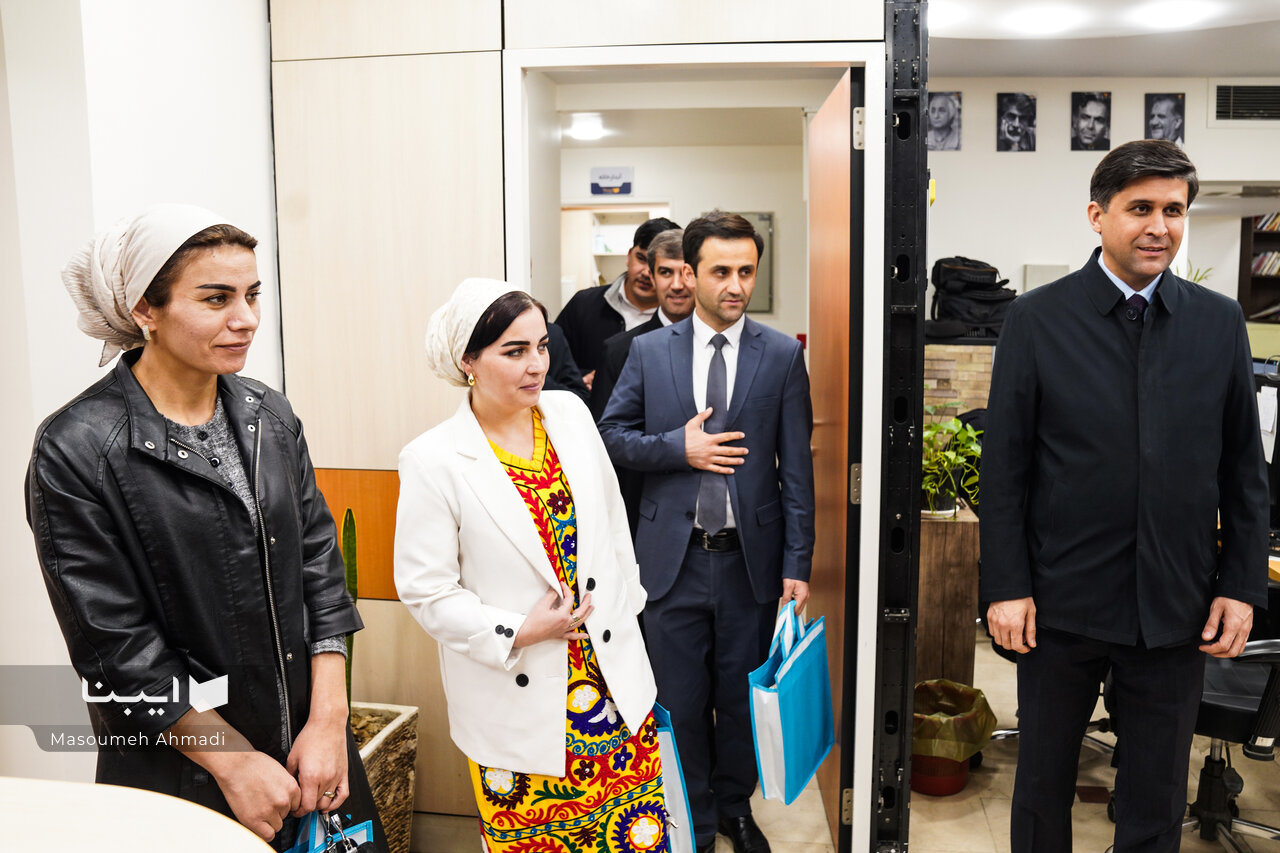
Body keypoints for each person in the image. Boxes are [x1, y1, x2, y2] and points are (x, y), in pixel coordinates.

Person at [26, 204, 384, 850]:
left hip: (311, 751)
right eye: (216, 298)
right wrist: (233, 762)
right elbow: (116, 646)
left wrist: (330, 719)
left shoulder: (269, 415)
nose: (246, 318)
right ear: (144, 308)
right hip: (184, 770)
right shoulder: (77, 448)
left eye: (252, 295)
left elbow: (319, 567)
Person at [980, 140, 1269, 853]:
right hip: (1061, 602)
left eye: (1174, 210)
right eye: (1141, 208)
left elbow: (1244, 468)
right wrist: (1007, 586)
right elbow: (1006, 468)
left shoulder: (1218, 322)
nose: (1159, 227)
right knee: (1042, 786)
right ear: (1097, 215)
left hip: (1175, 606)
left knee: (1156, 795)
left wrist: (1240, 586)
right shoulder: (1036, 320)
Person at [395, 279, 667, 852]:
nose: (536, 364)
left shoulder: (569, 413)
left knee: (636, 838)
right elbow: (426, 591)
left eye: (541, 346)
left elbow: (612, 519)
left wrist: (630, 609)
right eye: (514, 351)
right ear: (467, 361)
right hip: (519, 696)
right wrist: (518, 629)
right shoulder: (433, 460)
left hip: (611, 686)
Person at [598, 212, 815, 853]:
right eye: (722, 271)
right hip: (670, 562)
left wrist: (797, 563)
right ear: (691, 274)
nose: (736, 285)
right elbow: (610, 436)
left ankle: (736, 809)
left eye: (747, 271)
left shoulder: (782, 356)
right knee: (679, 701)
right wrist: (678, 448)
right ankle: (691, 815)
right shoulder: (648, 352)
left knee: (741, 699)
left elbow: (797, 470)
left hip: (751, 562)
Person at [590, 229, 694, 536]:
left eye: (686, 273)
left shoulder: (722, 346)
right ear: (653, 275)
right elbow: (605, 443)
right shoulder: (620, 351)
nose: (677, 285)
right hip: (639, 512)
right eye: (666, 273)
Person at [556, 217, 679, 387]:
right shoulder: (583, 304)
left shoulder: (679, 318)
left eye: (655, 265)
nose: (645, 272)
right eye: (641, 258)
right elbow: (552, 362)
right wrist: (581, 379)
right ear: (629, 256)